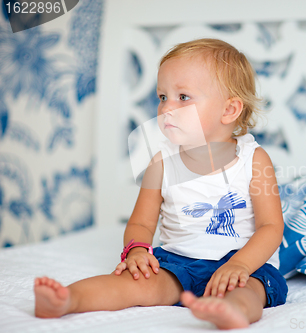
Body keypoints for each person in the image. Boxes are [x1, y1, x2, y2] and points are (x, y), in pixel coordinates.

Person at [33, 38, 287, 330]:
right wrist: (138, 250)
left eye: (183, 97)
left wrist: (239, 266)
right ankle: (69, 299)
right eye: (162, 96)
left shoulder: (254, 159)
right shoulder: (161, 162)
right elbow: (141, 223)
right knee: (136, 283)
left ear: (229, 110)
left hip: (243, 263)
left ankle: (232, 310)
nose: (167, 108)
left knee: (248, 290)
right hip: (179, 263)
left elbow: (271, 227)